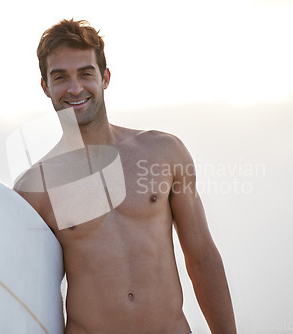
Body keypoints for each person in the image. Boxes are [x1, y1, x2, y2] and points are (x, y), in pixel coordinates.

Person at [14, 19, 237, 334]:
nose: (75, 88)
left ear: (105, 78)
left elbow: (201, 257)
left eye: (85, 73)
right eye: (60, 77)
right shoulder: (33, 189)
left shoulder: (163, 153)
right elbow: (24, 294)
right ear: (45, 86)